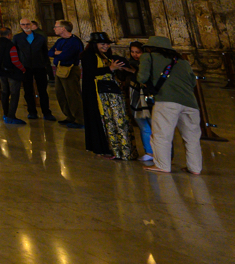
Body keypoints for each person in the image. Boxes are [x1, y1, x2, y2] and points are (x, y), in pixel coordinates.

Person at [138, 36, 202, 175]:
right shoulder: (182, 61)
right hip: (191, 104)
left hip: (166, 102)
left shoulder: (148, 56)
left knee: (161, 135)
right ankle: (195, 168)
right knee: (192, 138)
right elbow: (192, 82)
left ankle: (162, 165)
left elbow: (141, 77)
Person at [82, 32, 135, 160]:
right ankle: (101, 147)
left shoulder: (106, 55)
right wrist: (110, 68)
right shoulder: (87, 55)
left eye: (107, 44)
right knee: (98, 118)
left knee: (113, 118)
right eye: (102, 44)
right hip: (94, 91)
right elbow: (90, 72)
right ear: (94, 44)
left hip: (109, 92)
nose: (105, 46)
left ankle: (118, 148)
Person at [14, 19, 55, 121]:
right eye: (23, 24)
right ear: (20, 26)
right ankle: (32, 111)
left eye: (27, 24)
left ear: (31, 25)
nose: (26, 26)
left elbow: (44, 52)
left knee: (43, 91)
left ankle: (46, 112)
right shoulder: (17, 38)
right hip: (25, 67)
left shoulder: (40, 37)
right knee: (28, 90)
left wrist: (46, 65)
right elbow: (15, 52)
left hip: (39, 66)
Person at [0, 27, 28, 125]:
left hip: (1, 72)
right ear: (9, 35)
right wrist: (23, 69)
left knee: (5, 92)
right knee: (14, 94)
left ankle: (5, 114)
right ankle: (11, 116)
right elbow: (15, 60)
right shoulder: (10, 45)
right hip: (12, 73)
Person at [121, 42, 153, 163]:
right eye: (132, 52)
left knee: (153, 125)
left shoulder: (148, 64)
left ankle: (159, 152)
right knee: (143, 126)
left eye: (138, 52)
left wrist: (134, 71)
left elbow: (145, 78)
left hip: (147, 97)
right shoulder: (130, 63)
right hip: (135, 96)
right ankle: (149, 151)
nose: (135, 55)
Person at [49, 20, 84, 128]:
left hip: (70, 70)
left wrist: (58, 53)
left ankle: (80, 119)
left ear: (63, 28)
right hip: (60, 69)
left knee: (72, 95)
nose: (54, 29)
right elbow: (49, 52)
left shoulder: (74, 41)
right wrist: (57, 53)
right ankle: (69, 116)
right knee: (61, 94)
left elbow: (66, 56)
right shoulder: (60, 41)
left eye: (56, 27)